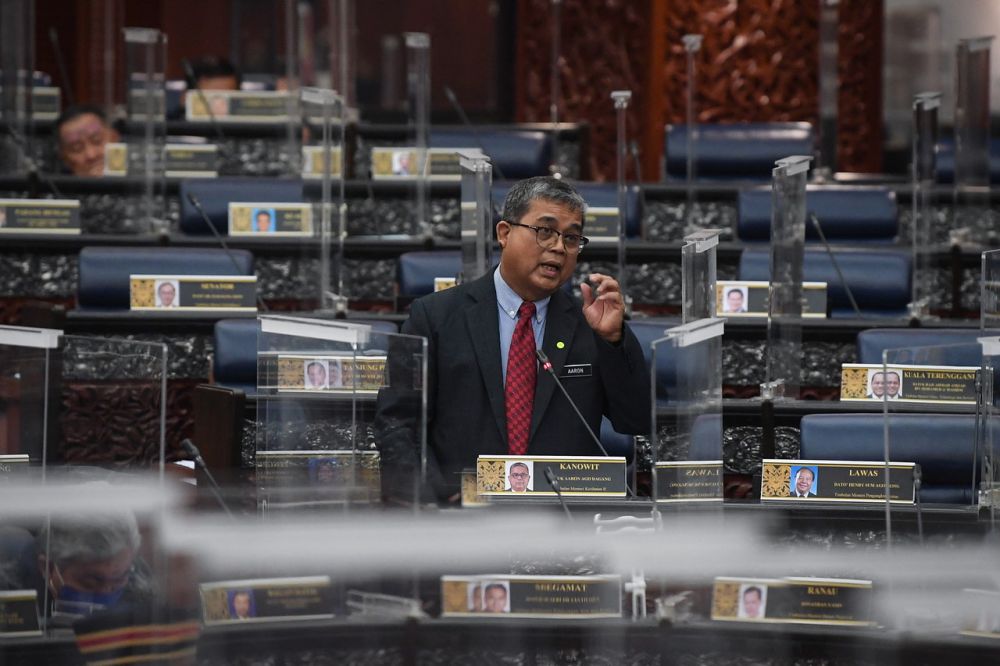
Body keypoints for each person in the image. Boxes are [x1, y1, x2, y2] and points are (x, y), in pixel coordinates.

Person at [375, 176, 651, 504]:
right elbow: (397, 424)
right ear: (504, 233)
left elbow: (634, 420)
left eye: (572, 237)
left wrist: (614, 340)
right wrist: (432, 505)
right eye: (545, 231)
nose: (559, 247)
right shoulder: (435, 317)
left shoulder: (591, 324)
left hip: (563, 521)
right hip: (459, 521)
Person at [56, 105, 120, 177]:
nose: (91, 155)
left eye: (97, 141)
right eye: (77, 148)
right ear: (65, 159)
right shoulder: (53, 187)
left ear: (114, 138)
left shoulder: (135, 182)